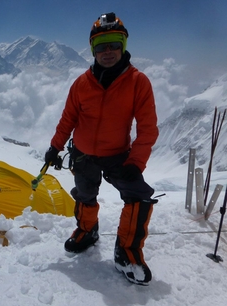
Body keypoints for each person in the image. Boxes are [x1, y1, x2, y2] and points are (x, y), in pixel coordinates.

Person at [44, 12, 159, 285]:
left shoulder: (137, 83)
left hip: (120, 156)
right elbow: (68, 118)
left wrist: (136, 163)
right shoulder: (81, 84)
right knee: (85, 194)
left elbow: (148, 129)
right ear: (93, 49)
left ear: (123, 46)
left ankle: (128, 252)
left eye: (114, 44)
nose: (108, 51)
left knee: (138, 196)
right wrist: (54, 147)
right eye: (101, 45)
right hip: (84, 154)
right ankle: (87, 231)